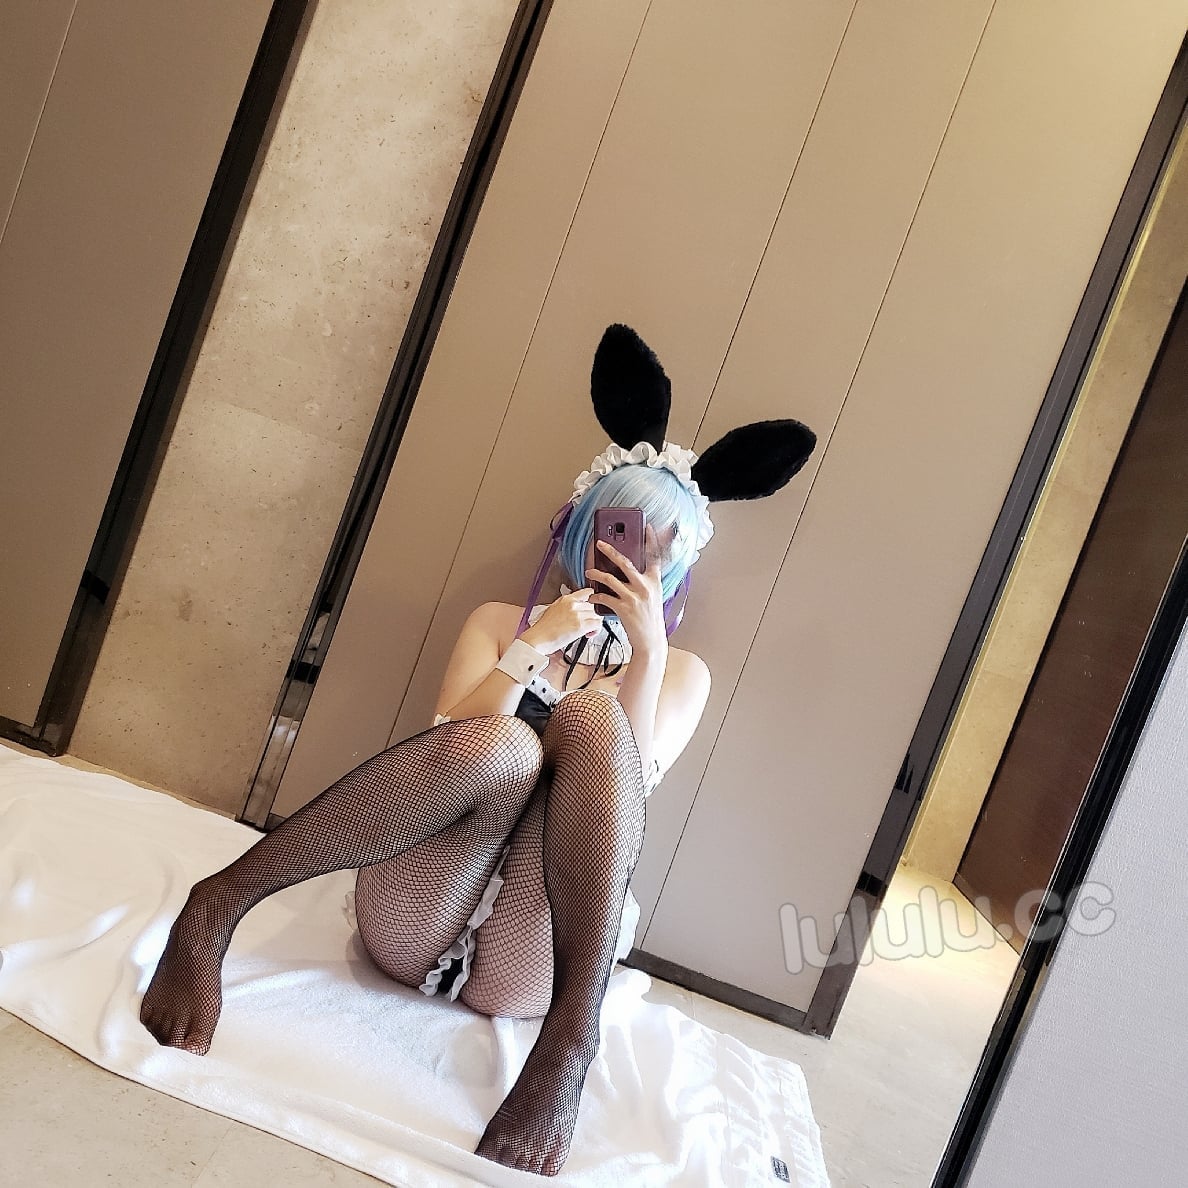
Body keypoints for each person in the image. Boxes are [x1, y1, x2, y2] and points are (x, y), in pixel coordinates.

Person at [139, 323, 816, 1177]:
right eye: (618, 530)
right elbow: (446, 742)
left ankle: (571, 1040)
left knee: (592, 725)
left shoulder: (681, 673)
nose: (631, 554)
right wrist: (533, 646)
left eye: (656, 544)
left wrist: (645, 655)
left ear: (678, 560)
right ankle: (219, 902)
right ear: (583, 525)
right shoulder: (501, 622)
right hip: (413, 911)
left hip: (532, 963)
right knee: (503, 745)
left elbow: (632, 785)